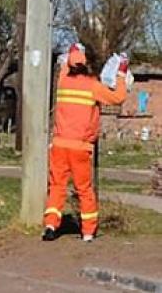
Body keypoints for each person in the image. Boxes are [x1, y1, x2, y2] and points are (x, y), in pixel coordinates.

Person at [42, 43, 128, 242]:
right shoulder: (92, 86)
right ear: (87, 64)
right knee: (84, 189)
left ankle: (50, 225)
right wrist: (121, 73)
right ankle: (88, 231)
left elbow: (64, 65)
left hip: (59, 145)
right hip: (81, 147)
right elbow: (118, 97)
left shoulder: (62, 81)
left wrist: (72, 50)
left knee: (56, 186)